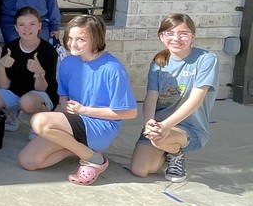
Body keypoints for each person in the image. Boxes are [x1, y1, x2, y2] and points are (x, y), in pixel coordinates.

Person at [19, 15, 137, 185]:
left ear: (96, 39)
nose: (73, 44)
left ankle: (93, 159)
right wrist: (64, 106)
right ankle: (82, 150)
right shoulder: (68, 62)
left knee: (39, 121)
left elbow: (130, 113)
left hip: (100, 127)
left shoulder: (113, 69)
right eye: (70, 38)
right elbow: (63, 96)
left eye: (81, 39)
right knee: (28, 161)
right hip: (75, 123)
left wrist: (84, 110)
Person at [129, 14, 218, 183]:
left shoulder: (206, 59)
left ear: (193, 37)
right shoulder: (158, 63)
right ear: (161, 36)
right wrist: (149, 123)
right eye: (169, 33)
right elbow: (151, 98)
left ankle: (176, 154)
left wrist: (166, 126)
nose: (176, 38)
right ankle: (166, 150)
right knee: (140, 170)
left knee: (161, 138)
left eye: (183, 34)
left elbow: (196, 100)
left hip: (188, 128)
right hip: (159, 127)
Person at [0, 6, 60, 132]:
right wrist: (1, 66)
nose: (27, 29)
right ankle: (13, 111)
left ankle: (42, 121)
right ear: (16, 27)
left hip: (41, 95)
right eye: (22, 25)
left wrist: (39, 72)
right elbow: (4, 86)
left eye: (32, 24)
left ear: (39, 26)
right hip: (16, 92)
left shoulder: (48, 51)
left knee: (26, 102)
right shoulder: (10, 48)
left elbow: (42, 88)